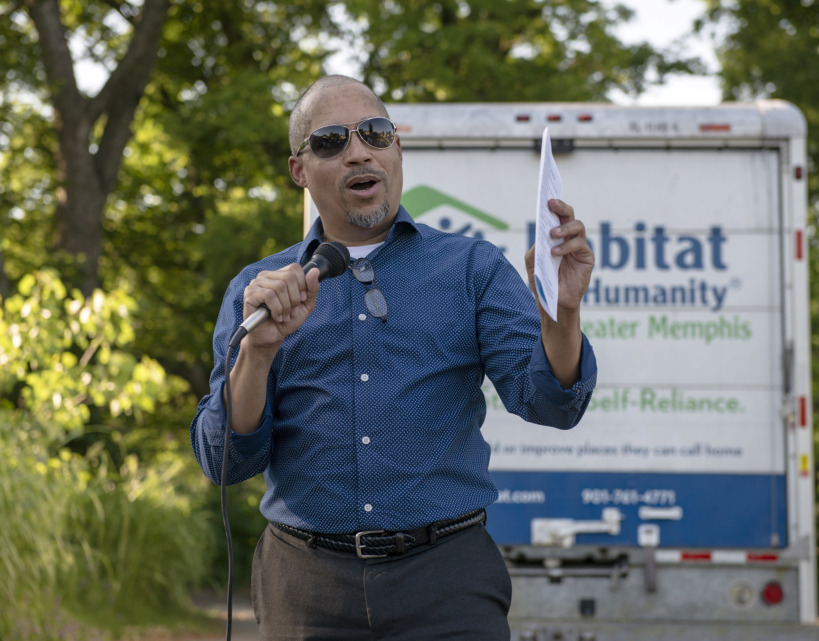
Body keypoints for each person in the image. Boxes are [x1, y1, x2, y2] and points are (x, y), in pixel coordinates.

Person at [190, 75, 597, 641]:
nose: (359, 151)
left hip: (447, 581)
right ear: (299, 171)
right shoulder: (256, 292)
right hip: (305, 588)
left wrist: (563, 315)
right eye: (331, 141)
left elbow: (551, 404)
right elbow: (225, 461)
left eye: (376, 134)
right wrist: (256, 355)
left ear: (396, 148)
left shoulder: (472, 270)